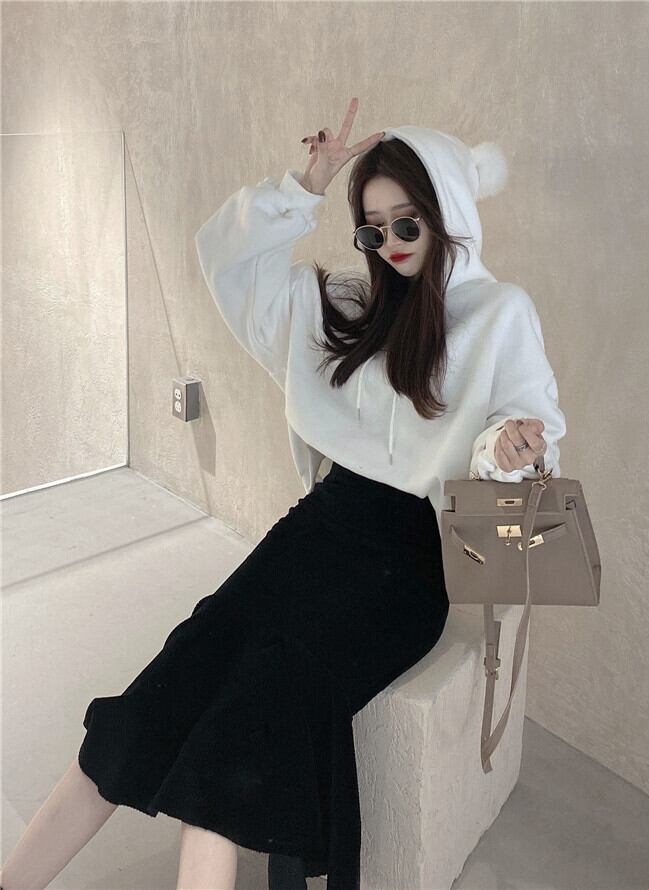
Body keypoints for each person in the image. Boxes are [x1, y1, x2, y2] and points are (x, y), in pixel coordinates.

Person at [0, 97, 566, 890]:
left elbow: (529, 435)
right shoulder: (351, 306)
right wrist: (304, 186)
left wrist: (507, 448)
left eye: (408, 223)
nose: (392, 244)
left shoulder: (501, 315)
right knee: (175, 675)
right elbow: (228, 262)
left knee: (243, 730)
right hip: (315, 532)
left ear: (448, 213)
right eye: (373, 230)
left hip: (405, 569)